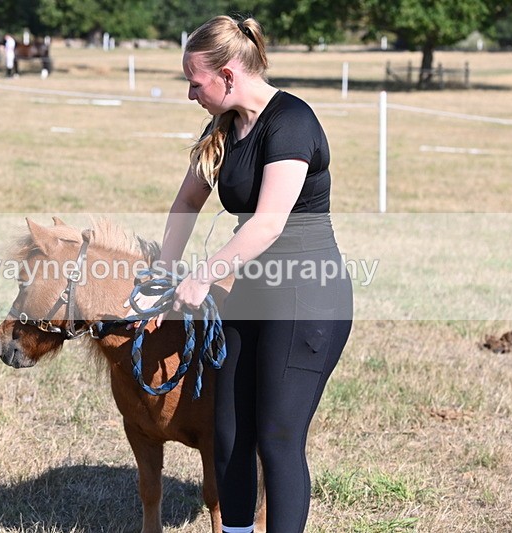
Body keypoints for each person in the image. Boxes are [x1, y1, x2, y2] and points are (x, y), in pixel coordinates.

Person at [129, 15, 353, 533]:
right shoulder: (224, 129)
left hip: (308, 297)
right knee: (229, 432)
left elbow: (269, 224)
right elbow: (186, 201)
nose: (190, 94)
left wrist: (203, 274)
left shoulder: (292, 121)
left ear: (227, 75)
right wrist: (164, 280)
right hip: (253, 295)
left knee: (277, 437)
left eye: (195, 81)